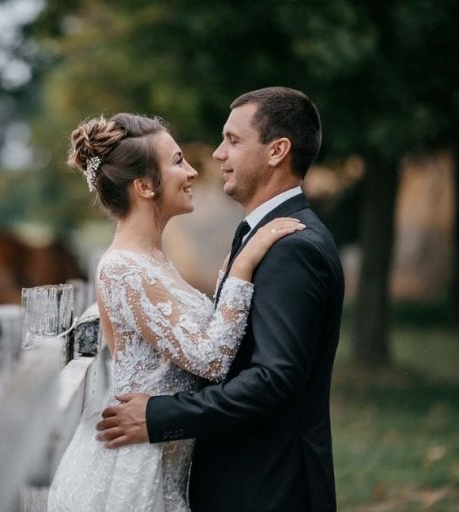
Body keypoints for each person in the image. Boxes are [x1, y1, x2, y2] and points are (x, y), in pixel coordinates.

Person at [95, 87, 345, 511]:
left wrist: (159, 416)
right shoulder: (260, 238)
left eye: (233, 140)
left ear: (277, 151)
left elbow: (274, 379)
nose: (215, 155)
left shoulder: (292, 246)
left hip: (268, 486)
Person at [46, 112, 304, 512]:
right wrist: (243, 264)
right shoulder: (123, 269)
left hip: (167, 459)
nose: (192, 172)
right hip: (135, 469)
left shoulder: (153, 261)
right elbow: (212, 359)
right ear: (145, 185)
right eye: (178, 161)